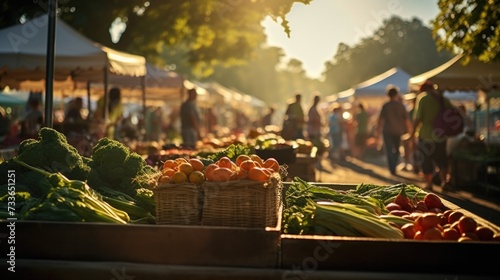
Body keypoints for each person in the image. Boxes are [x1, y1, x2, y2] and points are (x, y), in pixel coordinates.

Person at [410, 82, 454, 190]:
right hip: (441, 135)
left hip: (426, 134)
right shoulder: (444, 99)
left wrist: (412, 134)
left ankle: (429, 184)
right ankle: (444, 182)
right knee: (442, 159)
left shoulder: (423, 98)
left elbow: (418, 118)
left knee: (426, 160)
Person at [376, 85, 412, 175]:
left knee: (388, 149)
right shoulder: (401, 106)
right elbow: (406, 120)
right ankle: (394, 165)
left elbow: (380, 119)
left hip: (387, 131)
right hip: (398, 131)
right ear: (397, 94)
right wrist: (409, 131)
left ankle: (392, 167)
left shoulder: (386, 105)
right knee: (397, 149)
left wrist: (378, 130)